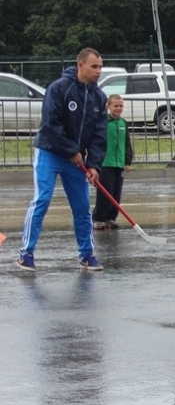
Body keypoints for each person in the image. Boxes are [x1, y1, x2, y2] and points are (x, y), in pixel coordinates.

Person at [19, 48, 108, 272]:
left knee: (82, 207)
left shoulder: (99, 97)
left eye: (100, 66)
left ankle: (87, 255)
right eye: (94, 66)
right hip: (50, 153)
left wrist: (94, 164)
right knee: (42, 199)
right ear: (80, 66)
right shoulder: (59, 88)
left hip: (76, 161)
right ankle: (26, 253)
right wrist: (71, 150)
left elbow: (99, 134)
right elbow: (51, 124)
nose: (98, 71)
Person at [92, 94, 133, 230]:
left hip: (119, 163)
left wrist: (127, 161)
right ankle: (99, 218)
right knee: (105, 192)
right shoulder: (103, 123)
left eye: (121, 106)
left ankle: (111, 218)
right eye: (115, 106)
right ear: (108, 106)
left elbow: (127, 144)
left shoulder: (123, 123)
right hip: (105, 163)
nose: (118, 108)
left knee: (116, 193)